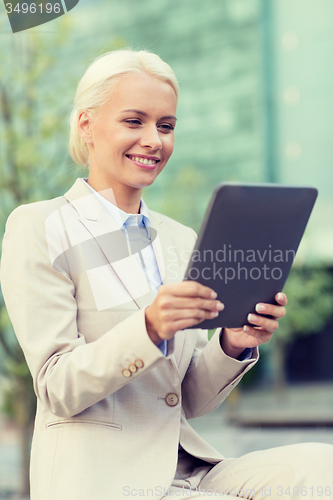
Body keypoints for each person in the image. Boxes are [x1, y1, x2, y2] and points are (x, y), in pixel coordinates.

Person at [1, 49, 332, 500]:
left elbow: (188, 398)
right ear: (86, 125)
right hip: (104, 479)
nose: (154, 140)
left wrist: (234, 342)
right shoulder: (39, 225)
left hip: (189, 469)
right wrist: (150, 327)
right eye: (134, 121)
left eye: (166, 125)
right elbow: (58, 386)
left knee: (323, 468)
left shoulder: (178, 239)